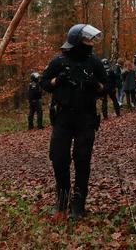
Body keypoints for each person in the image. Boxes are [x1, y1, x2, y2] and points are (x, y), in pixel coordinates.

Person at [41, 24, 107, 220]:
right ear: (77, 41)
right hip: (63, 117)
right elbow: (45, 84)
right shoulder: (58, 61)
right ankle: (61, 201)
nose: (90, 43)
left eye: (91, 40)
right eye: (87, 40)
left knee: (82, 159)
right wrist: (58, 80)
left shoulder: (94, 62)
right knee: (59, 158)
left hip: (86, 118)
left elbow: (106, 88)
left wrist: (94, 84)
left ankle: (78, 204)